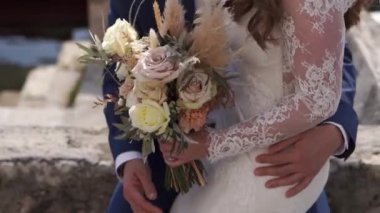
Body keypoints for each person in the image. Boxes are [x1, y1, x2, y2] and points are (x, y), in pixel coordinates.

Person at [103, 0, 365, 212]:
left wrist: (334, 130)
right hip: (169, 163)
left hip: (280, 158)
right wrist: (129, 158)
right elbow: (116, 72)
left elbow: (331, 64)